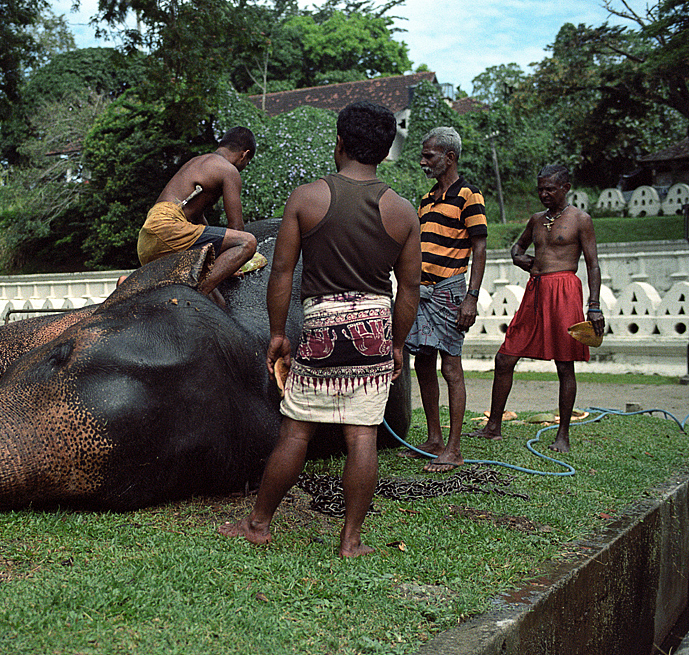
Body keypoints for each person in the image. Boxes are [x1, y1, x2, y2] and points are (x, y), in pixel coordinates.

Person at [218, 101, 421, 558]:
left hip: (322, 327)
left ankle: (258, 524)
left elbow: (282, 271)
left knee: (296, 431)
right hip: (374, 327)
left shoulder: (307, 197)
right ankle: (350, 540)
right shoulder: (403, 211)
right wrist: (397, 344)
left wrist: (277, 333)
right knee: (362, 436)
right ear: (385, 151)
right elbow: (409, 290)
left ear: (341, 143)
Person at [467, 164, 604, 453]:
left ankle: (563, 435)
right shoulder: (536, 220)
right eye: (540, 189)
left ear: (565, 188)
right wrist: (518, 258)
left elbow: (593, 264)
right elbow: (516, 247)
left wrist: (594, 306)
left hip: (564, 290)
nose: (543, 194)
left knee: (564, 365)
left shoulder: (581, 219)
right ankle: (493, 427)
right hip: (535, 291)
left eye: (550, 189)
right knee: (505, 358)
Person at [398, 126, 487, 472]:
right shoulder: (427, 199)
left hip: (450, 290)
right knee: (423, 362)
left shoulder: (469, 195)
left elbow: (479, 248)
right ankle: (434, 439)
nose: (423, 161)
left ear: (449, 158)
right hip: (422, 290)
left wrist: (471, 298)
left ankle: (454, 448)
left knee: (450, 366)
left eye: (429, 156)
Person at [136, 127, 259, 300]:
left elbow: (197, 220)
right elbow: (237, 228)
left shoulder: (196, 162)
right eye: (247, 162)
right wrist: (234, 262)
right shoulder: (228, 171)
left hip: (147, 241)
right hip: (168, 230)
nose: (244, 167)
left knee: (218, 302)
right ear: (243, 155)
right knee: (248, 242)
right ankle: (196, 296)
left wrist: (223, 264)